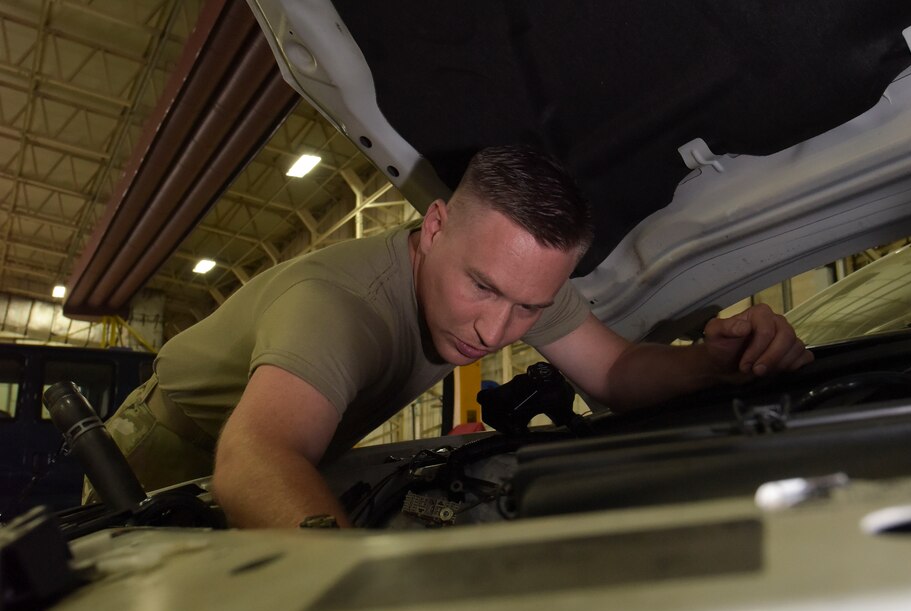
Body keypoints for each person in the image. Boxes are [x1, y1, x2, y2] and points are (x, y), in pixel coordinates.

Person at [90, 145, 812, 527]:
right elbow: (252, 460)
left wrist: (718, 366)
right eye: (483, 288)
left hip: (287, 443)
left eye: (529, 306)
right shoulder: (338, 308)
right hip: (164, 447)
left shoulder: (522, 285)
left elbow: (615, 374)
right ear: (433, 227)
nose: (496, 331)